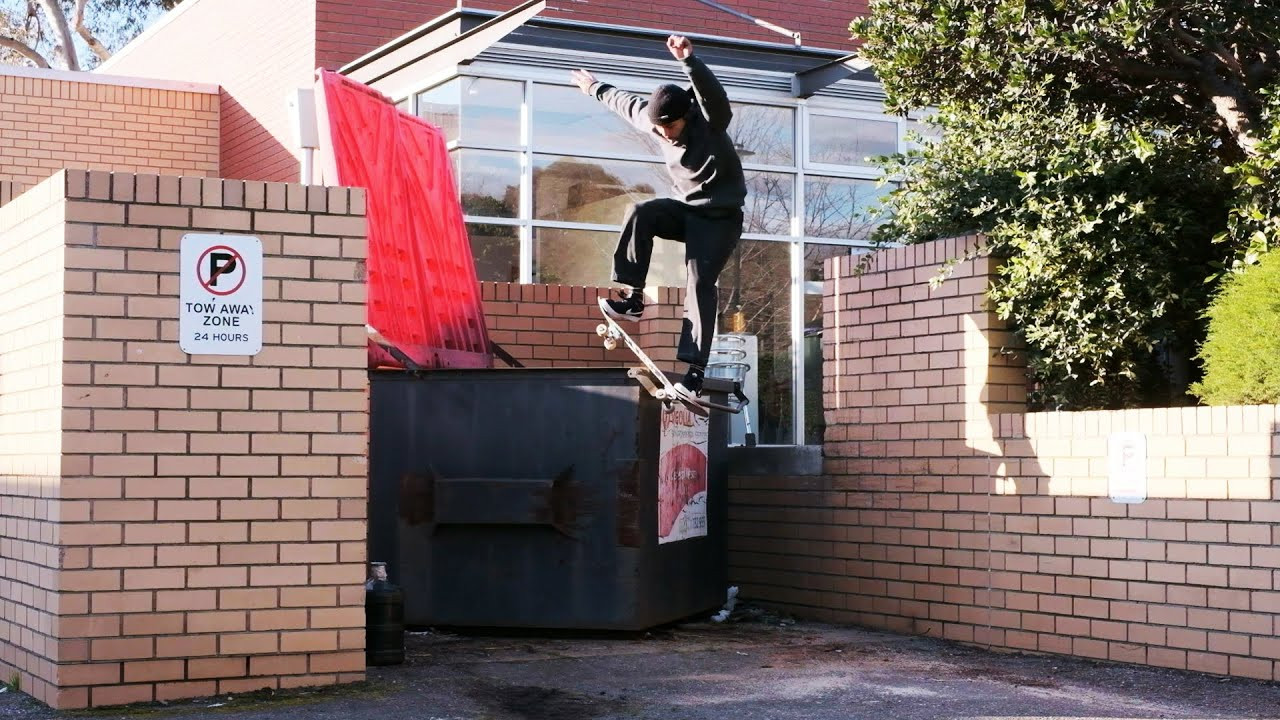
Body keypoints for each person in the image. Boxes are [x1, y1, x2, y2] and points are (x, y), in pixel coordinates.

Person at [571, 34, 746, 403]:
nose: (665, 134)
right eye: (660, 129)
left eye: (672, 128)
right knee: (642, 212)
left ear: (686, 117)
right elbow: (625, 103)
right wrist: (593, 88)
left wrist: (689, 61)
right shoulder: (654, 123)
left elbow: (713, 96)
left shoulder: (711, 121)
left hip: (720, 219)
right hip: (688, 212)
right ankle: (633, 298)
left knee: (698, 281)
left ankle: (694, 374)